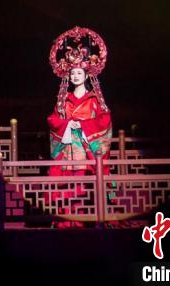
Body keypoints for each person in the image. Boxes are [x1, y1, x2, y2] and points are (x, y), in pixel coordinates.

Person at [46, 26, 112, 226]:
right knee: (67, 186)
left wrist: (82, 126)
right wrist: (68, 124)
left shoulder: (94, 100)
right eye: (73, 73)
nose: (75, 76)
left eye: (79, 72)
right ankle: (68, 220)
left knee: (86, 185)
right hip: (68, 152)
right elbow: (53, 120)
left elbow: (105, 120)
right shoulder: (63, 100)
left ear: (86, 75)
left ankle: (89, 220)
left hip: (87, 150)